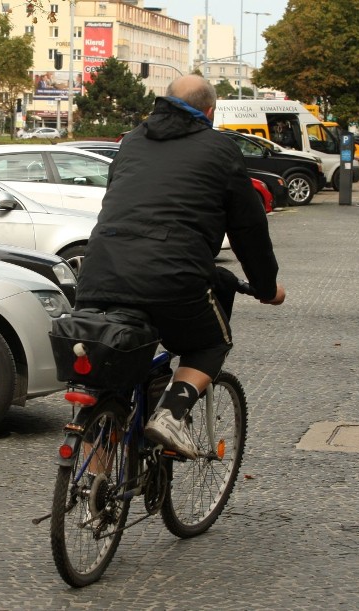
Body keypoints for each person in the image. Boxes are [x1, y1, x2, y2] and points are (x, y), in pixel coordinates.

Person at [76, 74, 286, 459]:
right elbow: (248, 228)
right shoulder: (220, 149)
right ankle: (171, 416)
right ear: (210, 111)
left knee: (110, 382)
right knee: (210, 343)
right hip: (172, 276)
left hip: (100, 271)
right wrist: (266, 286)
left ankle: (94, 493)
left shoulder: (132, 141)